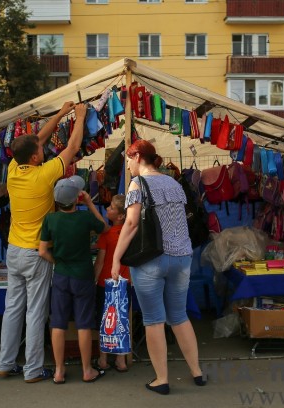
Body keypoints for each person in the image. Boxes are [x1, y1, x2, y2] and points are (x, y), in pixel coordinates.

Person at [0, 101, 87, 383]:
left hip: (13, 250)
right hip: (36, 254)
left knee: (12, 308)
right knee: (35, 312)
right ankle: (33, 370)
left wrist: (61, 114)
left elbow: (39, 139)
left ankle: (5, 363)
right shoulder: (44, 176)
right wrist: (80, 117)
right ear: (36, 159)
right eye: (39, 151)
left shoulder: (13, 169)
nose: (42, 148)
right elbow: (71, 149)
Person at [111, 139, 205, 395]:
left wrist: (116, 257)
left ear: (138, 157)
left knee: (153, 320)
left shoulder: (137, 183)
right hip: (182, 257)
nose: (128, 165)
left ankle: (161, 379)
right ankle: (196, 372)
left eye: (128, 159)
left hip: (152, 258)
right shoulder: (173, 182)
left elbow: (130, 224)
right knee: (179, 316)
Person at [39, 176, 109, 384]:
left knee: (58, 323)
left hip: (61, 275)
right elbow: (104, 227)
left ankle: (59, 371)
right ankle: (87, 370)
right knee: (84, 323)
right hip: (84, 276)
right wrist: (89, 202)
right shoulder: (85, 218)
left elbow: (42, 251)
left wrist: (57, 262)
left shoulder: (50, 220)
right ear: (76, 199)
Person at [93, 194, 130, 372]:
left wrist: (94, 278)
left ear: (121, 215)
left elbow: (100, 261)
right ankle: (121, 361)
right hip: (125, 282)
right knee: (121, 321)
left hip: (105, 282)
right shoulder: (131, 232)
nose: (107, 209)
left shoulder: (106, 234)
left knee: (105, 321)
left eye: (112, 208)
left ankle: (102, 359)